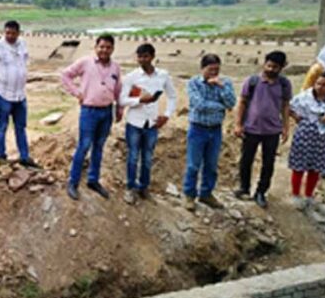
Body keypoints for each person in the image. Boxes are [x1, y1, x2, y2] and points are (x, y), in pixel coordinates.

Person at [62, 34, 123, 201]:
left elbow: (118, 89)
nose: (104, 50)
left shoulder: (115, 67)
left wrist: (119, 108)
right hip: (89, 111)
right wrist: (77, 92)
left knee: (99, 147)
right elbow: (65, 75)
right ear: (96, 47)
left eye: (108, 47)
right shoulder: (85, 62)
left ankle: (93, 180)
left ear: (112, 49)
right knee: (84, 146)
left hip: (107, 112)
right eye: (101, 46)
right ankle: (73, 182)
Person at [119, 43, 177, 204]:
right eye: (139, 57)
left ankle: (144, 188)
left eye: (145, 56)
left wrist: (167, 115)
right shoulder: (131, 77)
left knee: (147, 158)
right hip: (134, 124)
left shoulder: (163, 75)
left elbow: (172, 96)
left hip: (152, 125)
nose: (142, 60)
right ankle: (130, 188)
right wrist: (139, 100)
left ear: (152, 57)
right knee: (132, 157)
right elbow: (122, 100)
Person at [233, 51, 292, 208]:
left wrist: (286, 127)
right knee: (246, 160)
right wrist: (238, 124)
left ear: (282, 67)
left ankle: (261, 192)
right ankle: (244, 188)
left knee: (268, 163)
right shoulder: (252, 81)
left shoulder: (284, 84)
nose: (271, 69)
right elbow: (242, 102)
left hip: (272, 131)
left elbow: (285, 106)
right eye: (269, 65)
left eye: (275, 67)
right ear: (264, 64)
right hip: (250, 128)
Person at [0, 20, 40, 168]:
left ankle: (24, 156)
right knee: (2, 126)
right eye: (7, 33)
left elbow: (24, 61)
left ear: (18, 33)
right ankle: (2, 156)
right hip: (3, 93)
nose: (10, 36)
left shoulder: (22, 43)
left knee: (21, 127)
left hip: (20, 94)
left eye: (13, 33)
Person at [183, 54, 237, 212]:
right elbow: (199, 105)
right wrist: (221, 107)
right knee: (193, 165)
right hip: (197, 129)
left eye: (216, 70)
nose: (214, 73)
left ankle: (206, 194)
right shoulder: (194, 83)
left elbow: (231, 102)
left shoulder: (225, 83)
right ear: (202, 68)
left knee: (212, 165)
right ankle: (189, 195)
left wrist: (221, 87)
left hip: (215, 129)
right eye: (210, 69)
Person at [288, 72, 325, 210]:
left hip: (322, 139)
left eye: (324, 85)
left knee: (315, 168)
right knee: (299, 166)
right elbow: (289, 107)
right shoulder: (303, 97)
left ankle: (309, 195)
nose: (319, 87)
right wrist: (295, 117)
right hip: (304, 135)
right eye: (318, 83)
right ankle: (295, 194)